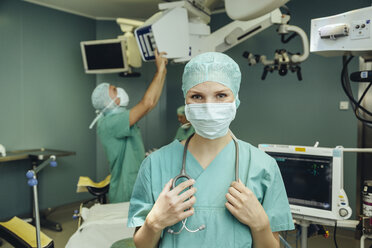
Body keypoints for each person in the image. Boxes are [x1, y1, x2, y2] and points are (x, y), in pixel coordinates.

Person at [127, 52, 294, 247]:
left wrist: (260, 225)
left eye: (221, 95)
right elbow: (141, 244)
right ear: (185, 101)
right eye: (197, 96)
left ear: (235, 99)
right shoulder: (154, 165)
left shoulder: (263, 166)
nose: (209, 107)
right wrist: (154, 222)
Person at [90, 49, 168, 203]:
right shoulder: (110, 122)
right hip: (125, 190)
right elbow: (147, 103)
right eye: (113, 90)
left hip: (133, 185)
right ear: (107, 101)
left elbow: (151, 104)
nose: (118, 90)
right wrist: (159, 70)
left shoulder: (116, 118)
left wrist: (163, 71)